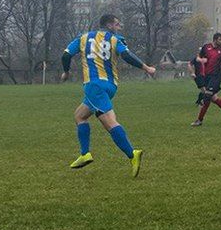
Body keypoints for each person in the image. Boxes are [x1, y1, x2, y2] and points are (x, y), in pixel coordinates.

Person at [61, 14, 154, 176]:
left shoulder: (83, 38)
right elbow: (126, 55)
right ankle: (85, 154)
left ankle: (132, 154)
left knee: (110, 123)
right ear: (109, 25)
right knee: (80, 116)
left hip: (94, 86)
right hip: (110, 86)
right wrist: (146, 68)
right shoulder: (115, 40)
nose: (119, 27)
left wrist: (66, 72)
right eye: (117, 24)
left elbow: (66, 55)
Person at [190, 32, 221, 126]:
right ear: (215, 40)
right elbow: (199, 58)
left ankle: (199, 120)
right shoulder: (206, 47)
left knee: (207, 96)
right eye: (220, 39)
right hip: (206, 77)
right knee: (214, 98)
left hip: (215, 77)